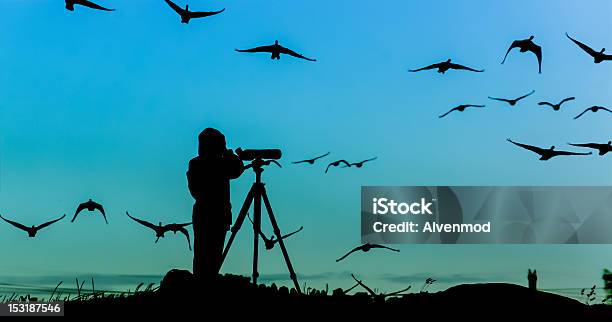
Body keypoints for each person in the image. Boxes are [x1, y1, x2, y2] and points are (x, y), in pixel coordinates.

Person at [187, 128, 244, 282]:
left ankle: (202, 285)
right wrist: (229, 154)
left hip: (205, 215)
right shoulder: (222, 164)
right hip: (217, 215)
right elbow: (238, 169)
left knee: (202, 258)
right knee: (211, 257)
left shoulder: (195, 164)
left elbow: (194, 191)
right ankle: (206, 286)